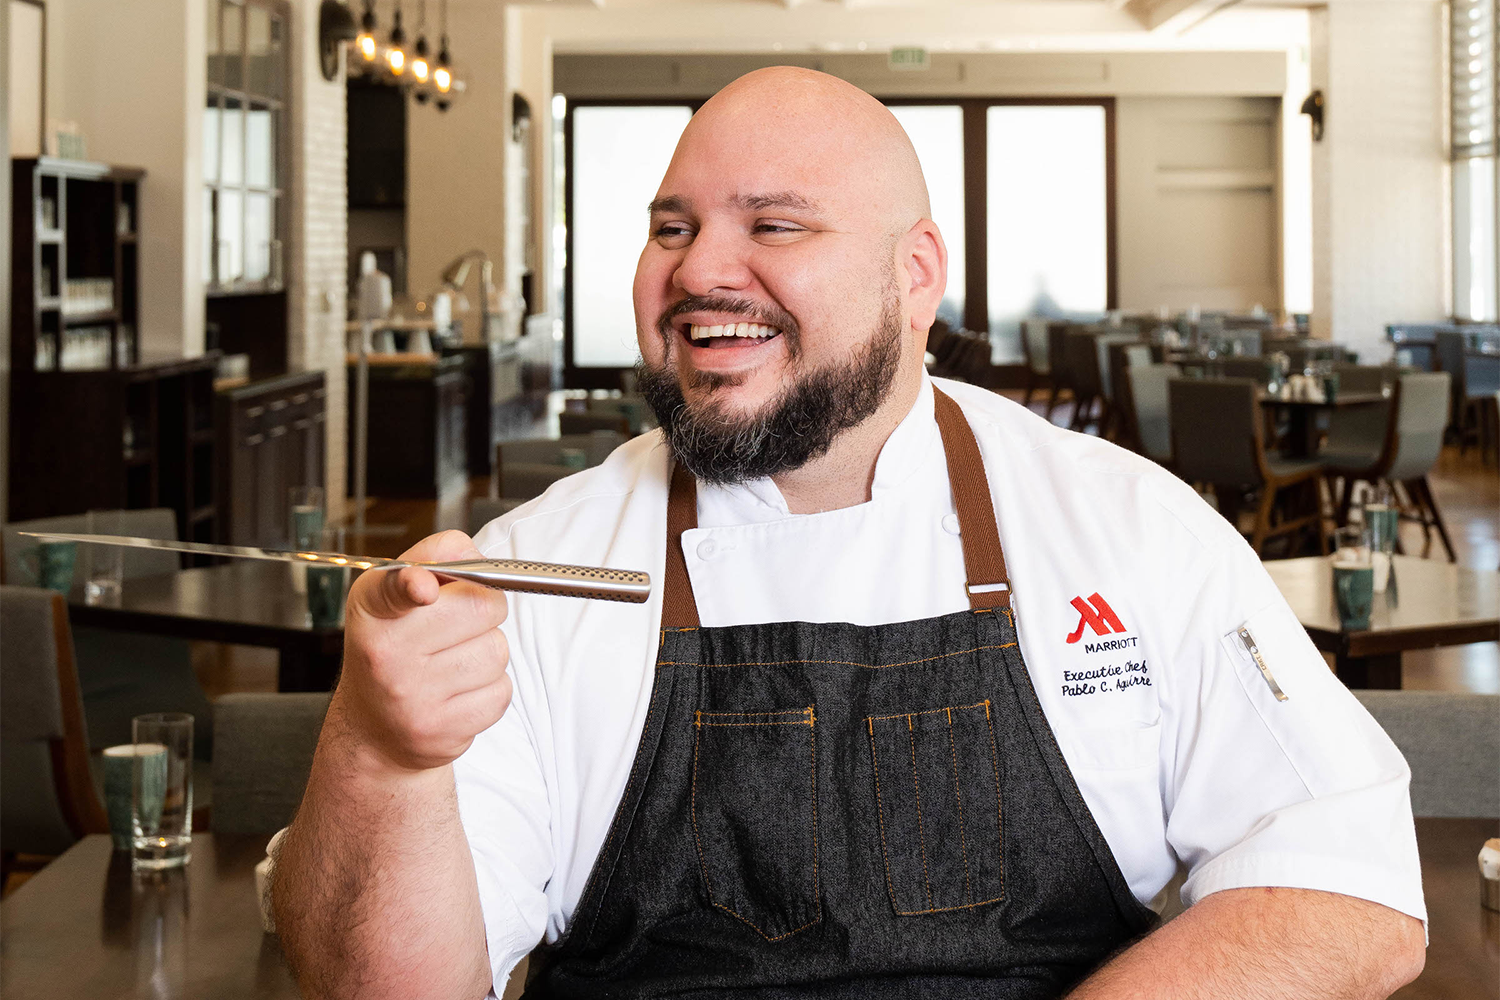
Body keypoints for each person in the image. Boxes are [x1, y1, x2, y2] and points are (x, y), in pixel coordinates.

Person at [272, 68, 1426, 999]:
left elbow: (1351, 889)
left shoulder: (1125, 531)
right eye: (672, 225)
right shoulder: (532, 575)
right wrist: (381, 754)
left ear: (913, 274)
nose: (700, 270)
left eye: (772, 223)